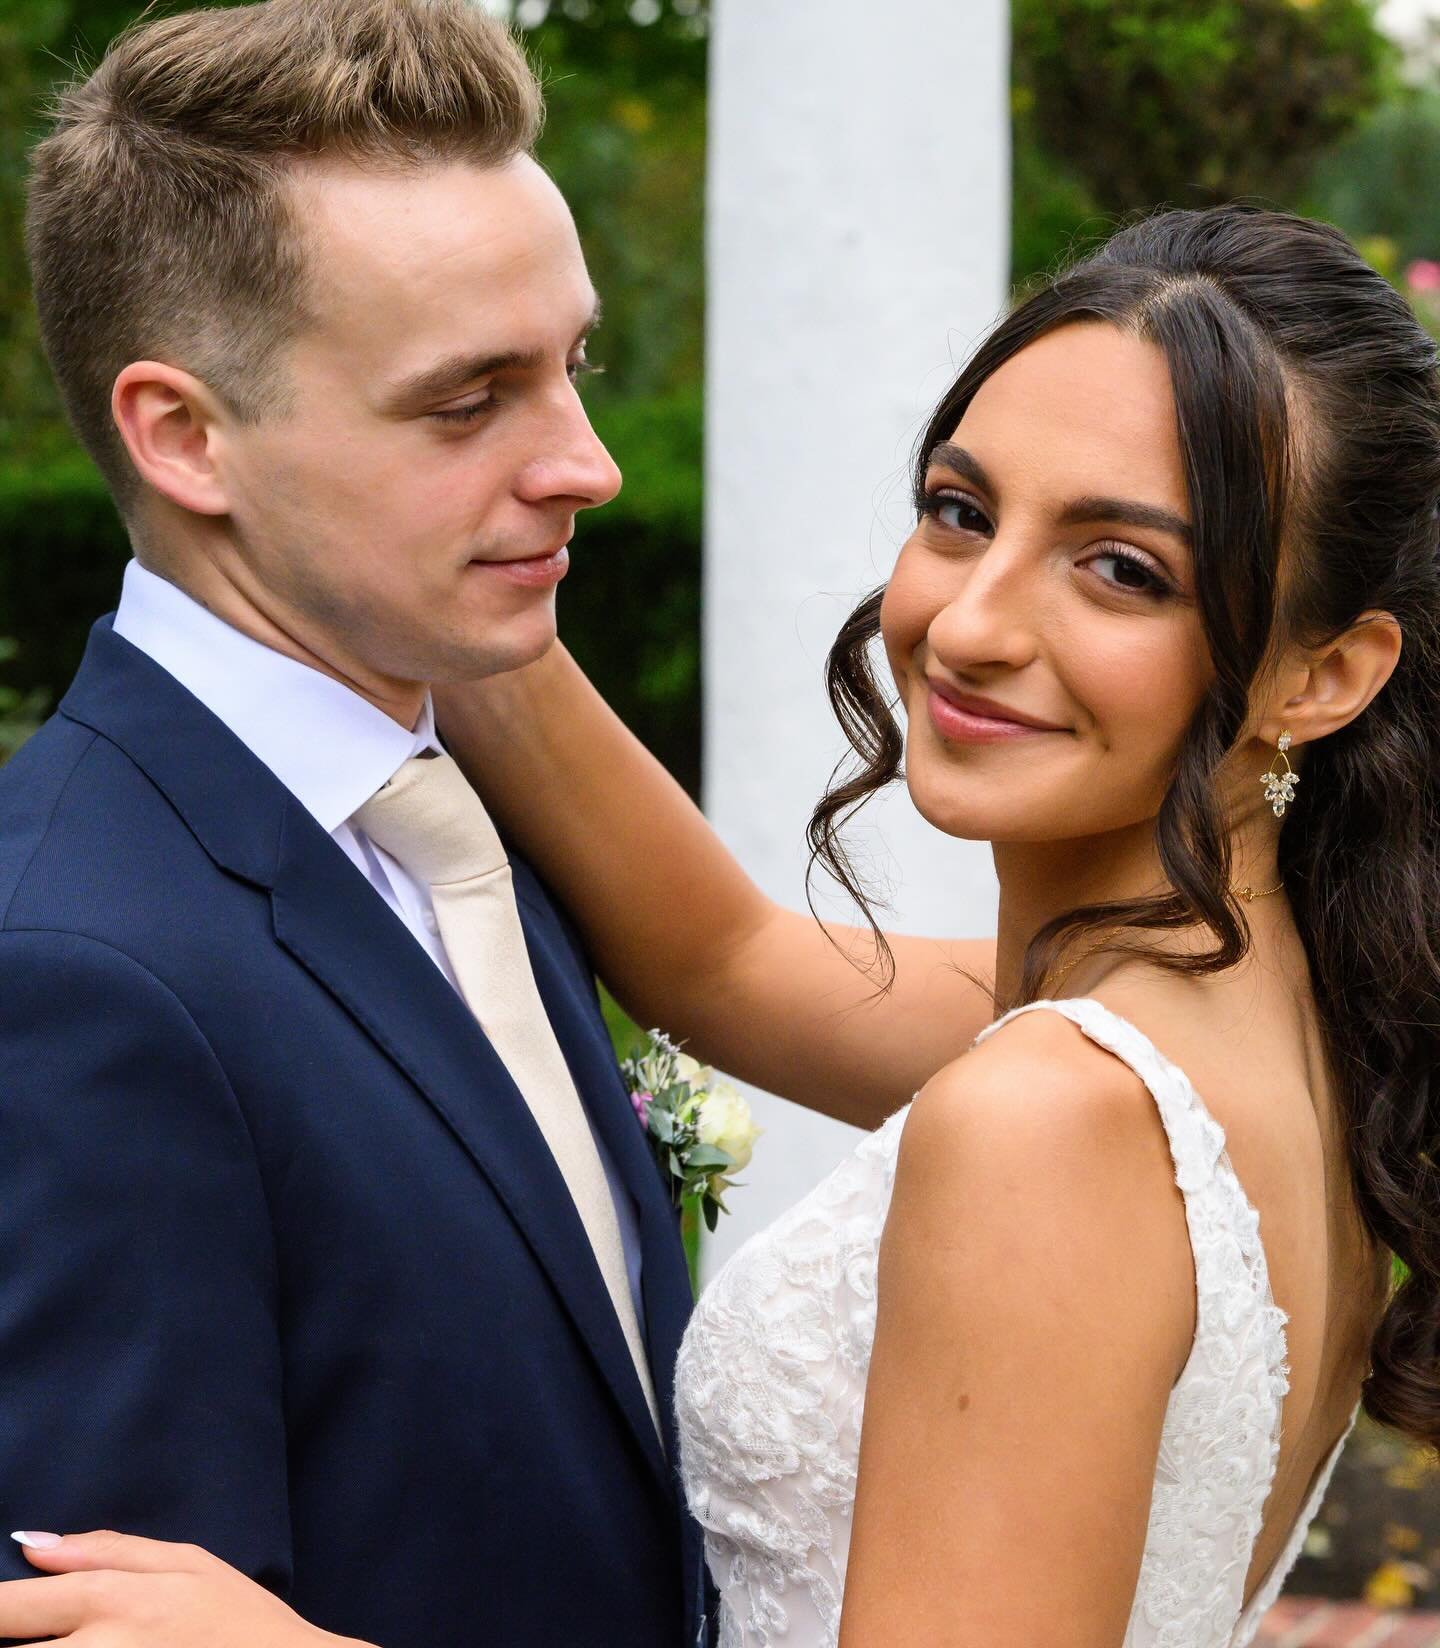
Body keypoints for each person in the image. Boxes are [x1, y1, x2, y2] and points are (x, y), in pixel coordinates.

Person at [3, 135, 1435, 1648]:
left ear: (1327, 673)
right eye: (960, 510)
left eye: (1122, 570)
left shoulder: (1054, 1118)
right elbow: (733, 959)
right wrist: (430, 550)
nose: (969, 623)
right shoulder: (1279, 1011)